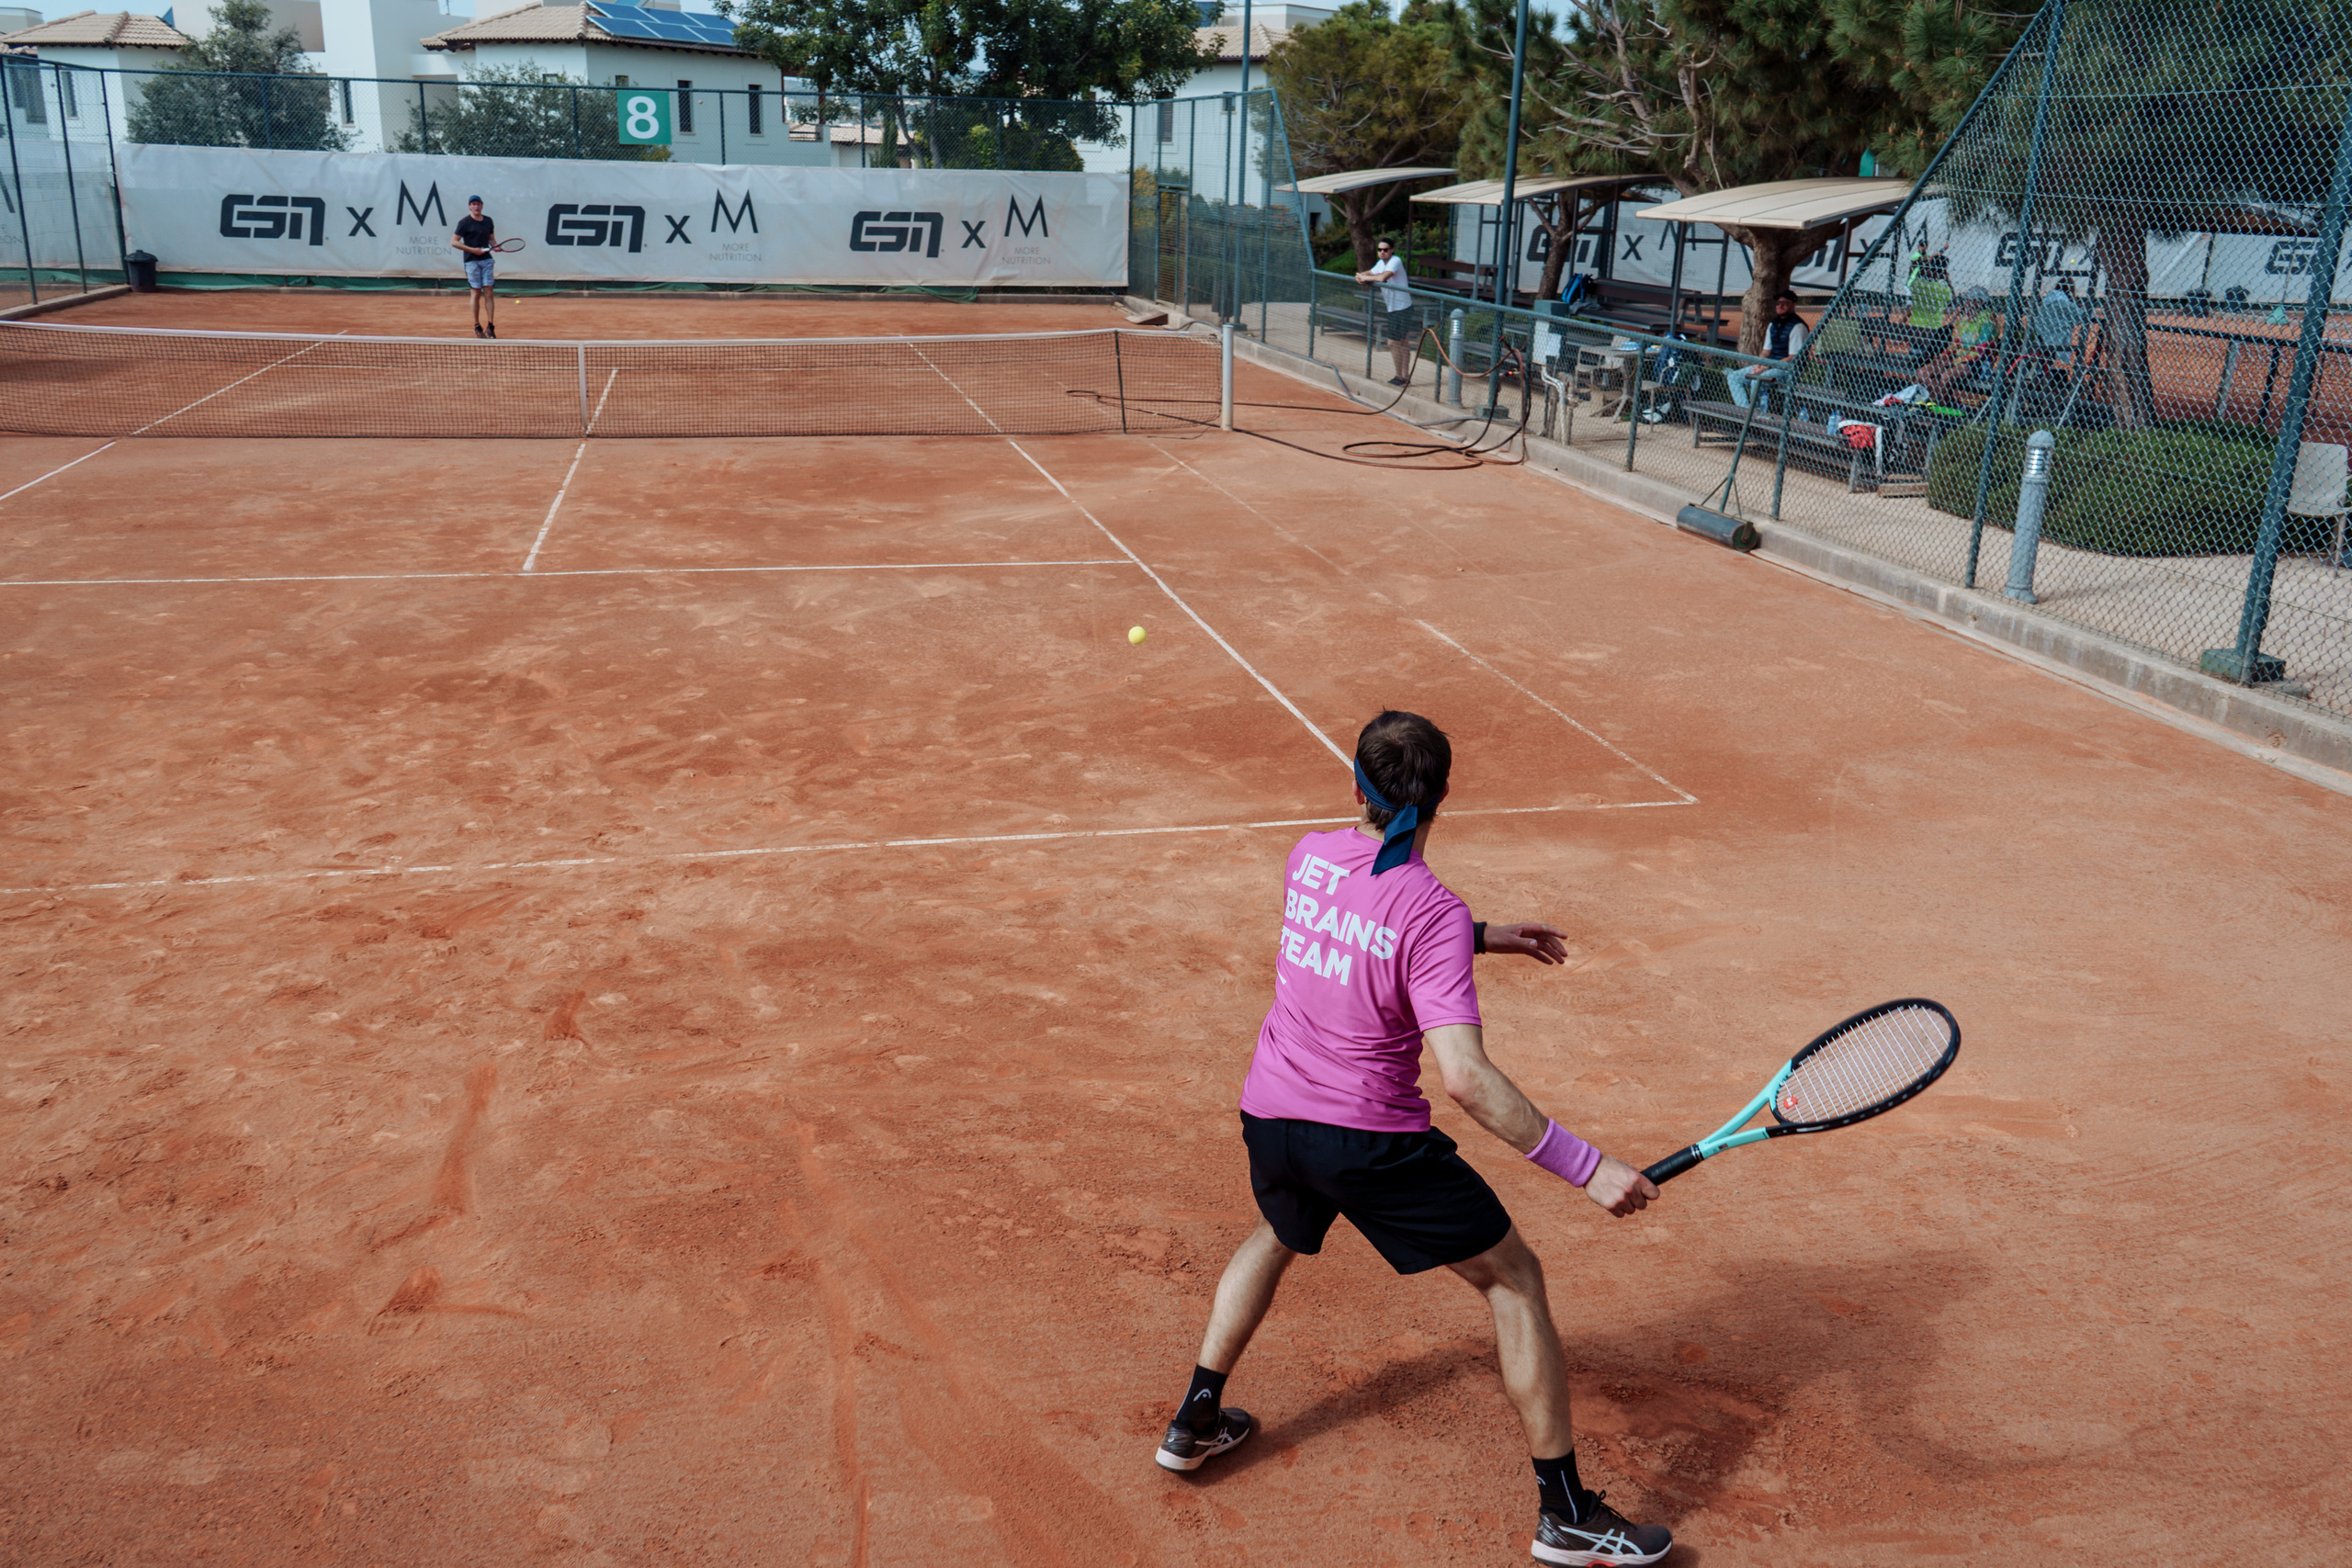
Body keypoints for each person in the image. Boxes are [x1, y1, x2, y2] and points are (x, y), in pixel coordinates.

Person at [1158, 709, 1672, 1568]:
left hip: (1271, 1117)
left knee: (1279, 1231)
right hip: (1367, 1142)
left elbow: (1360, 929)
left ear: (1356, 786)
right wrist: (1587, 1167)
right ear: (1444, 795)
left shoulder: (1309, 856)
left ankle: (1195, 1418)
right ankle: (1566, 1514)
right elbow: (1464, 1077)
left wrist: (1478, 939)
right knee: (1515, 1279)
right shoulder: (1430, 909)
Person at [1917, 285, 1998, 402]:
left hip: (1977, 363)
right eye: (1966, 300)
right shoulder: (1965, 320)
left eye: (1970, 300)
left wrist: (1956, 360)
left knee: (1946, 377)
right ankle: (1946, 402)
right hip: (1959, 358)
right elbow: (1957, 342)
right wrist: (1945, 355)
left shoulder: (1988, 322)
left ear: (1980, 302)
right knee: (1923, 373)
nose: (1966, 303)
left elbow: (1980, 352)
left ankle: (1940, 404)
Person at [1728, 290, 1809, 410]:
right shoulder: (1773, 324)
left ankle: (1756, 414)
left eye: (1784, 303)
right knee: (1733, 377)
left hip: (1787, 369)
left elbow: (1793, 357)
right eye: (1778, 303)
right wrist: (1759, 364)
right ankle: (1746, 411)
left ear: (1793, 304)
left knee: (1757, 381)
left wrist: (1768, 367)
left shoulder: (1798, 326)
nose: (1780, 306)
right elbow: (1766, 352)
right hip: (1770, 365)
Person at [1354, 236, 1416, 387]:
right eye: (1380, 250)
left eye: (1385, 250)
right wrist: (1360, 275)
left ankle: (1400, 376)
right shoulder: (1381, 263)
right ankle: (1404, 377)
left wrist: (1364, 277)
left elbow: (1382, 278)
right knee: (1402, 342)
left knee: (1394, 343)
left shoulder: (1395, 261)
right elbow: (1371, 272)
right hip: (1393, 308)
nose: (1382, 252)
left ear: (1392, 250)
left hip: (1402, 308)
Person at [452, 196, 498, 339]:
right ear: (469, 206)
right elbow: (454, 242)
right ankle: (477, 326)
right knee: (476, 293)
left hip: (487, 260)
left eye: (478, 204)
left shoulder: (488, 221)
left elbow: (491, 239)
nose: (476, 207)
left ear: (482, 206)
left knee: (489, 292)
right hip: (471, 262)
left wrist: (496, 246)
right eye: (473, 204)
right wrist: (473, 250)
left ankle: (490, 326)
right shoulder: (464, 223)